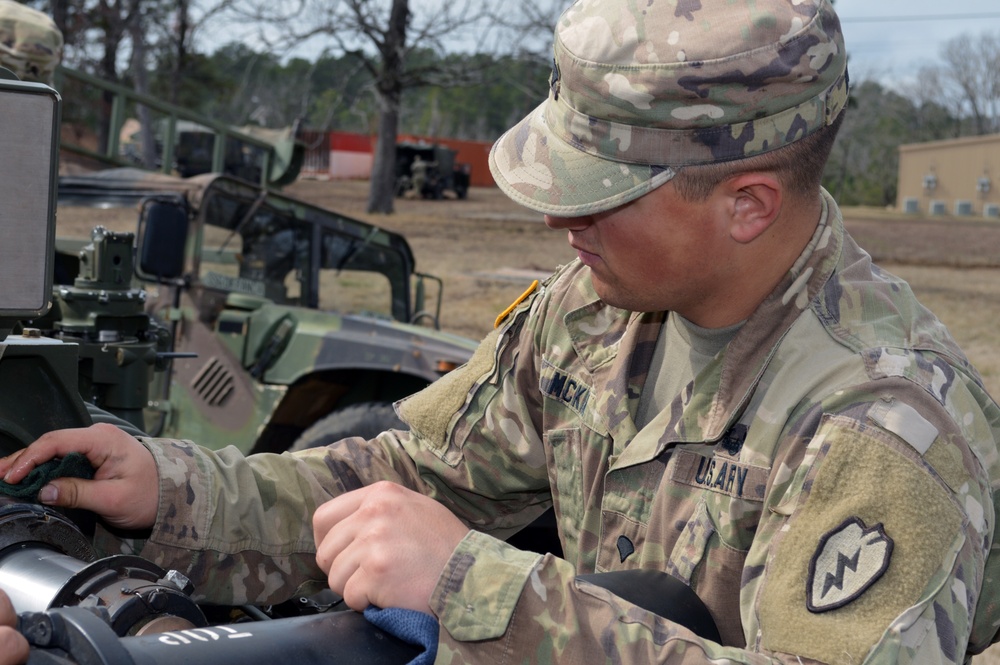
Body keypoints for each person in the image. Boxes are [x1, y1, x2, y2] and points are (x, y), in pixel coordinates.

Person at [2, 0, 1000, 662]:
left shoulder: (886, 426)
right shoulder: (589, 311)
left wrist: (475, 588)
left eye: (600, 196)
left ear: (745, 203)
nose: (559, 221)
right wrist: (172, 490)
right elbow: (403, 476)